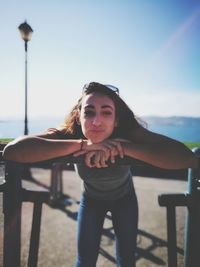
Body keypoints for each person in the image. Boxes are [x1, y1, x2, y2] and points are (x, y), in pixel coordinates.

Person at [3, 82, 198, 267]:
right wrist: (82, 145)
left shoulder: (128, 132)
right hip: (91, 200)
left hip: (125, 198)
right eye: (89, 112)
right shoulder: (72, 133)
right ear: (79, 116)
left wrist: (125, 147)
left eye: (106, 112)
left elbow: (185, 158)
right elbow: (13, 150)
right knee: (85, 261)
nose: (96, 121)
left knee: (126, 260)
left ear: (116, 119)